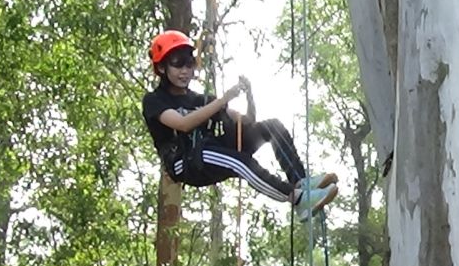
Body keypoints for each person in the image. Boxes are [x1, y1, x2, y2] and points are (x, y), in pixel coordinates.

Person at [142, 30, 338, 221]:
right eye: (177, 65)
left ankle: (300, 182)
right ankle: (297, 199)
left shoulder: (201, 99)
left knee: (272, 127)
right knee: (241, 162)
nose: (185, 71)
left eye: (189, 64)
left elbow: (246, 120)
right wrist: (222, 99)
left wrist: (248, 95)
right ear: (161, 68)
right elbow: (183, 124)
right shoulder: (155, 100)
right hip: (186, 162)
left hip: (210, 151)